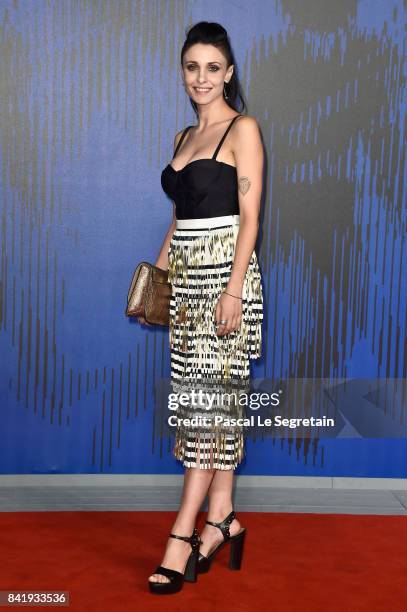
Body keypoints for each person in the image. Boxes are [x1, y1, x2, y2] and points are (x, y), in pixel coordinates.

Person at [137, 21, 264, 595]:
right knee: (208, 407)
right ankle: (224, 519)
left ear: (229, 73)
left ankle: (182, 536)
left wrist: (234, 290)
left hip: (226, 281)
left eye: (213, 68)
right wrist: (157, 281)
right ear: (183, 72)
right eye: (192, 67)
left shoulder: (244, 130)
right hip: (185, 281)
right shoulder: (182, 136)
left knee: (208, 411)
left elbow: (251, 219)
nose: (201, 78)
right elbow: (177, 219)